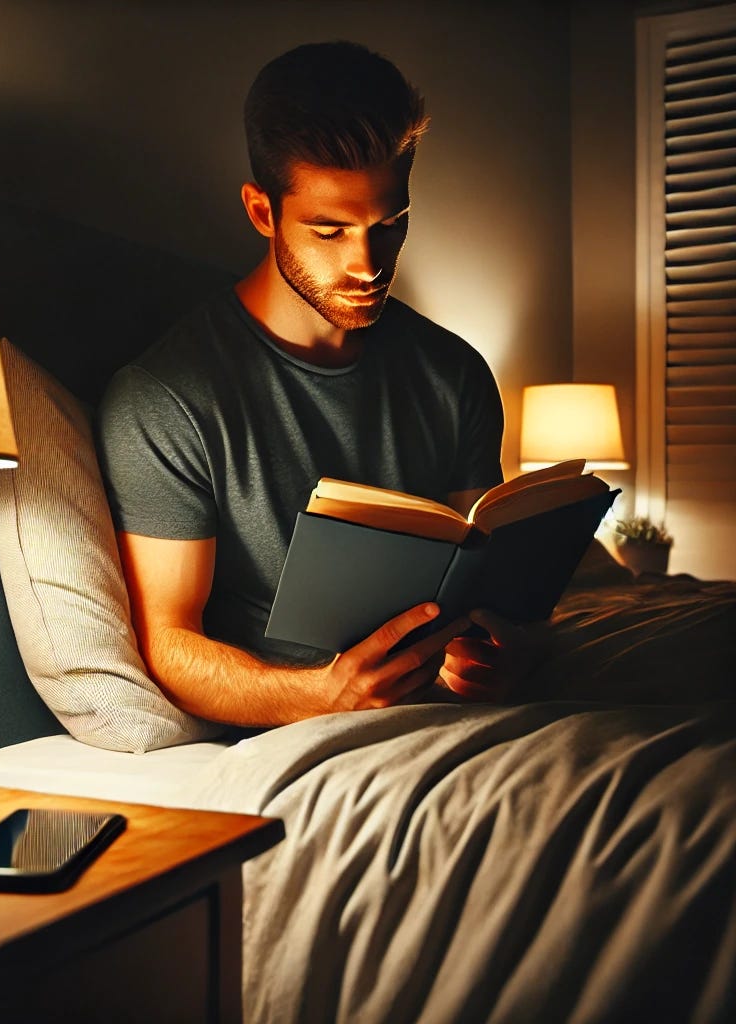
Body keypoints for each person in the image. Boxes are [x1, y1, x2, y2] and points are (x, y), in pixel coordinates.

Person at [95, 40, 547, 727]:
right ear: (261, 211)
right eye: (329, 230)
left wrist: (498, 650)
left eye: (389, 225)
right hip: (304, 728)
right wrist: (324, 695)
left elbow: (483, 590)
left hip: (456, 716)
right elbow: (171, 645)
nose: (368, 263)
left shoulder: (454, 374)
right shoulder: (167, 399)